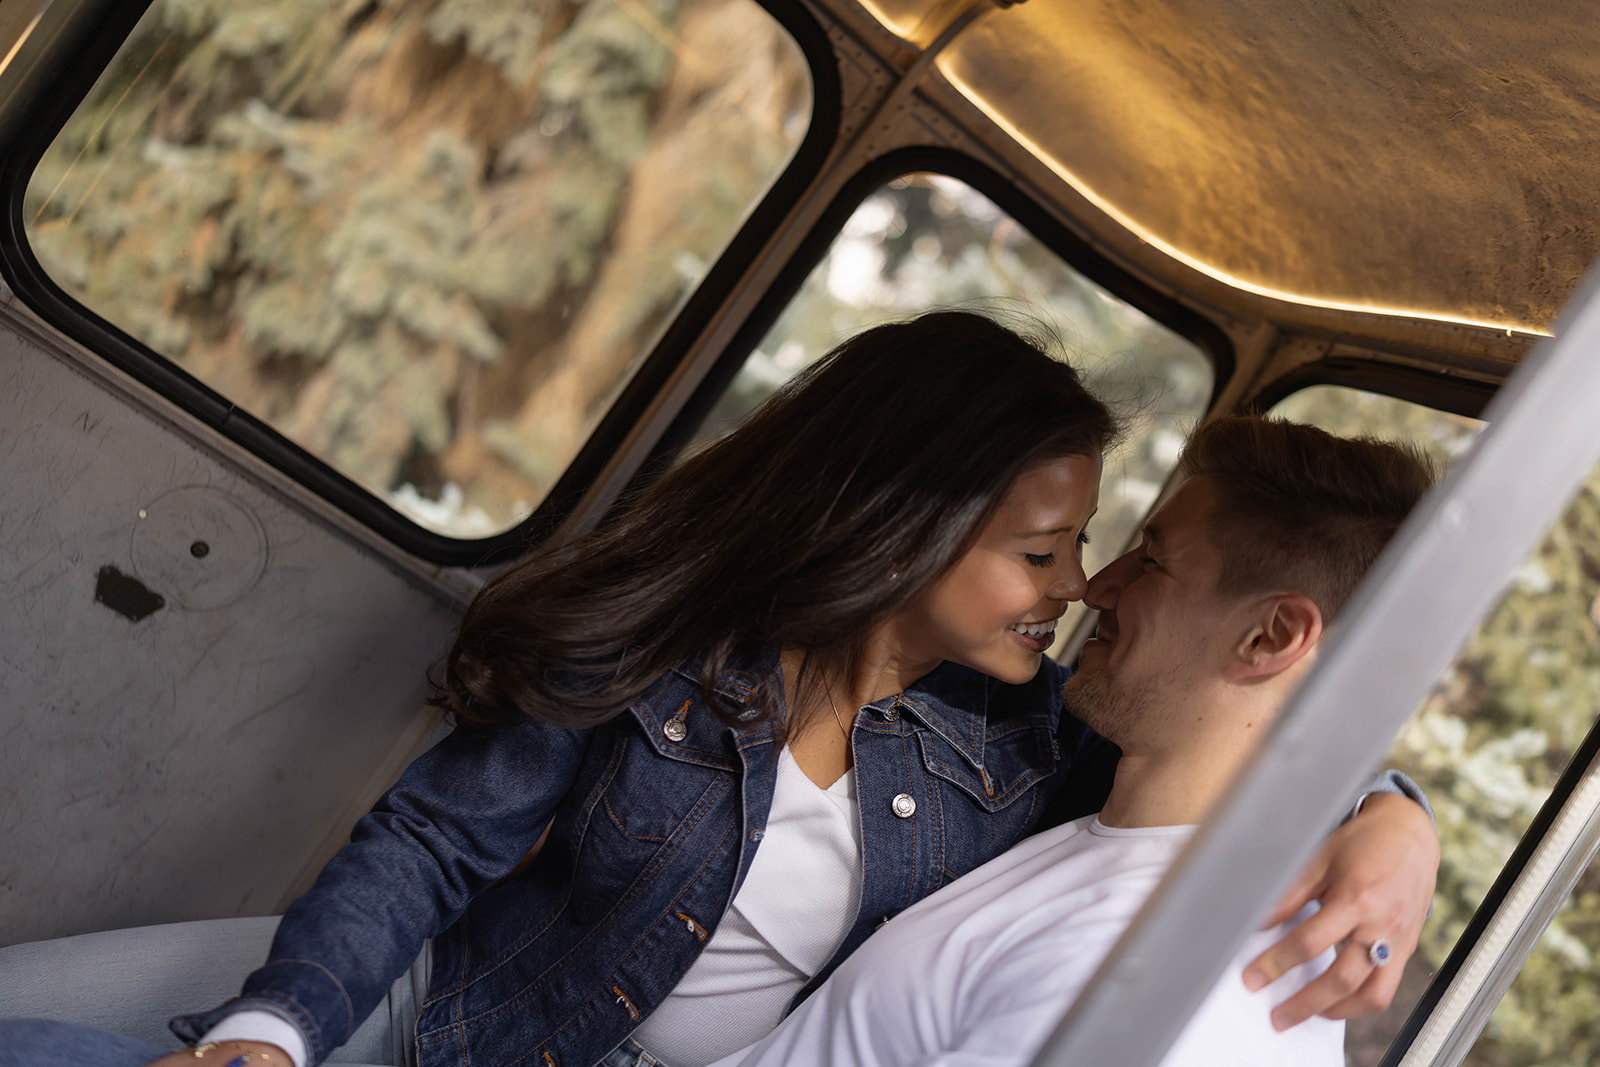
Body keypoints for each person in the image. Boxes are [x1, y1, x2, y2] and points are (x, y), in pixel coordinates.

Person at [0, 316, 1436, 1067]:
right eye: (1042, 549)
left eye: (1091, 551)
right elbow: (433, 845)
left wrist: (1392, 805)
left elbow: (1234, 745)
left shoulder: (1023, 740)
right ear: (907, 528)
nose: (1075, 588)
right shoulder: (677, 643)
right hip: (460, 993)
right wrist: (280, 1026)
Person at [705, 416, 1440, 1067]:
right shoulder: (1092, 814)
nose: (1094, 585)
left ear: (1271, 636)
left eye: (1151, 561)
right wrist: (1396, 811)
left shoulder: (1156, 977)